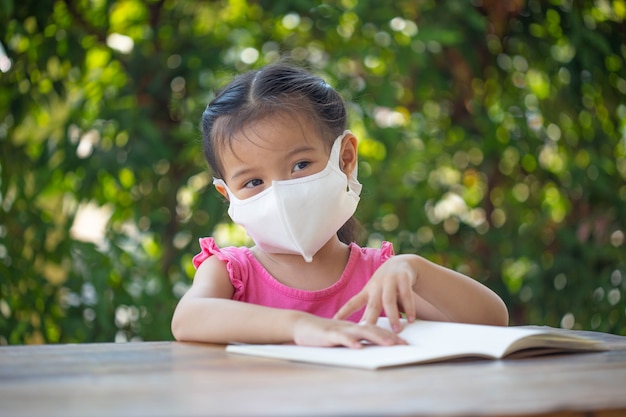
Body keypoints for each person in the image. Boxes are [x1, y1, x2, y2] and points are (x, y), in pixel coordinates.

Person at [171, 63, 509, 348]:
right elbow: (187, 319)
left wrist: (415, 269)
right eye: (253, 182)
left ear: (345, 158)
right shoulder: (230, 272)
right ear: (227, 195)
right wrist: (301, 326)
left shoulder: (378, 279)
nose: (281, 194)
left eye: (300, 165)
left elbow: (491, 321)